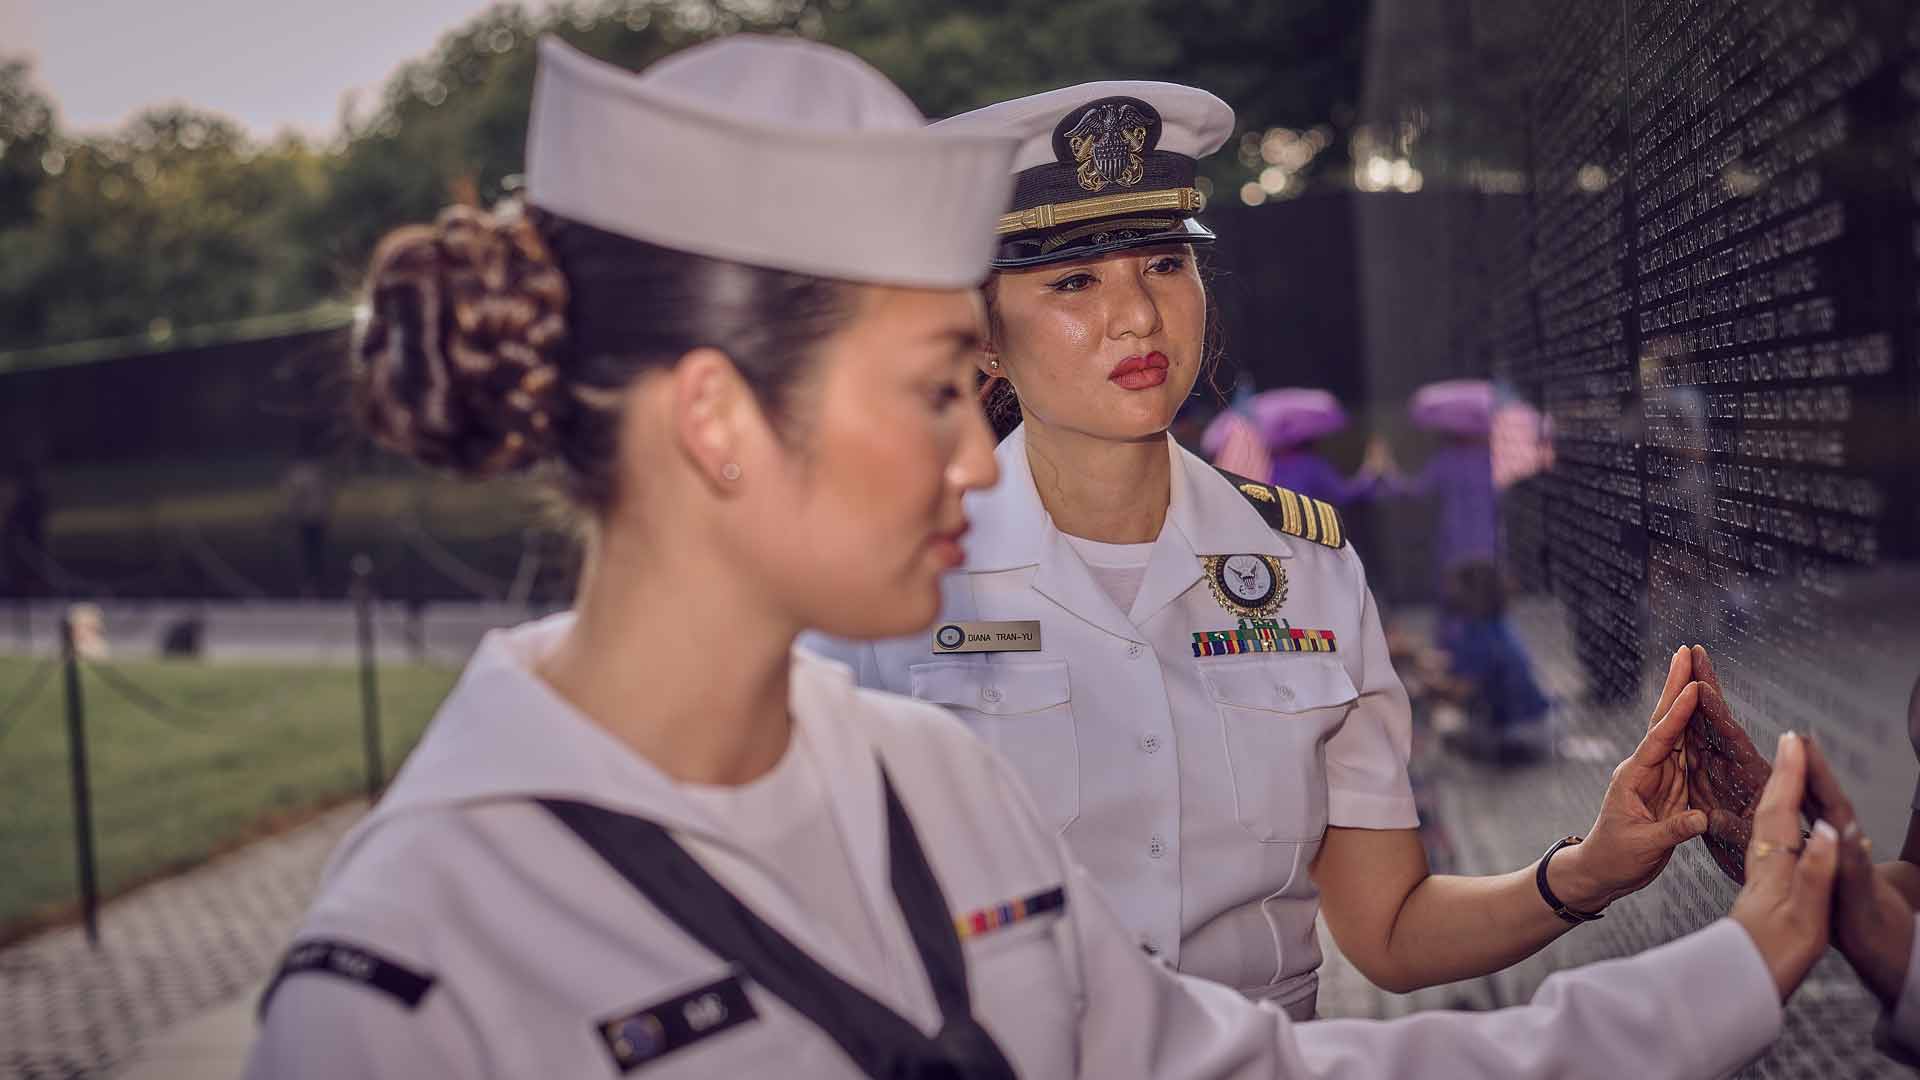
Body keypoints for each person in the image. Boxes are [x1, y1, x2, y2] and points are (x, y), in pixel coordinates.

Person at [249, 40, 1838, 1078]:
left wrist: (1726, 959)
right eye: (935, 388)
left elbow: (1258, 1061)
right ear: (722, 421)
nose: (970, 455)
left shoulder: (926, 795)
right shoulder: (394, 992)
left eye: (1158, 266)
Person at [804, 81, 1716, 1018]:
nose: (1138, 317)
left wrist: (1589, 871)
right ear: (982, 337)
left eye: (1163, 264)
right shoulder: (887, 580)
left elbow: (1391, 931)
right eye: (1074, 282)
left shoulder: (1309, 569)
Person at [1419, 560, 1554, 764]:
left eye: (1457, 588)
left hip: (1521, 734)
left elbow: (1460, 692)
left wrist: (1423, 690)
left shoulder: (1482, 636)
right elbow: (1456, 664)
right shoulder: (1490, 625)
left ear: (1473, 594)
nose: (1449, 594)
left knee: (1446, 732)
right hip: (1541, 723)